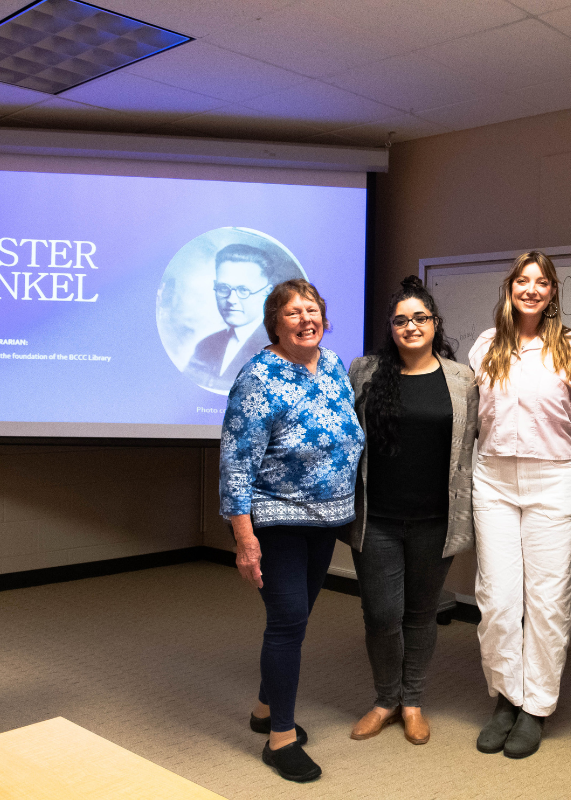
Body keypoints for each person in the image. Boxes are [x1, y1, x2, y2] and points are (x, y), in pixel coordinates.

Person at [219, 278, 364, 783]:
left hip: (326, 519)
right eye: (292, 313)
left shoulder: (332, 365)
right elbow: (237, 461)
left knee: (296, 620)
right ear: (274, 324)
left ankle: (263, 708)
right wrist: (244, 536)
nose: (306, 319)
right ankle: (279, 738)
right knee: (288, 622)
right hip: (276, 518)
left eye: (313, 310)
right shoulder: (258, 375)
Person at [468, 250, 571, 759]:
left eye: (540, 282)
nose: (530, 289)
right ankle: (505, 697)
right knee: (499, 601)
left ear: (552, 292)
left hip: (552, 481)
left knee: (547, 604)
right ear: (510, 288)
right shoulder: (485, 348)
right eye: (522, 280)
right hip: (495, 480)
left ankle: (536, 707)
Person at [344, 276, 478, 746]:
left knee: (420, 615)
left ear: (435, 324)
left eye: (420, 318)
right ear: (391, 327)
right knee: (381, 614)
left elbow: (477, 443)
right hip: (377, 519)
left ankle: (413, 700)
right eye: (401, 320)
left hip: (435, 522)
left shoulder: (462, 380)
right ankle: (385, 700)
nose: (411, 326)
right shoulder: (364, 372)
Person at [187, 244, 289, 392]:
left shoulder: (281, 346)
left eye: (243, 290)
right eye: (223, 288)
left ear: (267, 292)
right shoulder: (205, 345)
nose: (231, 299)